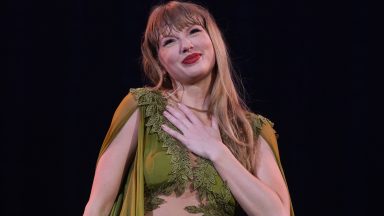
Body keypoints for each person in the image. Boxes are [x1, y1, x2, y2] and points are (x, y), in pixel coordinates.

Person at [83, 1, 294, 215]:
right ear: (160, 63)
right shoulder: (143, 107)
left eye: (193, 31)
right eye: (170, 41)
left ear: (214, 40)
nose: (186, 46)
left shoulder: (251, 130)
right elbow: (98, 205)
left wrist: (217, 152)